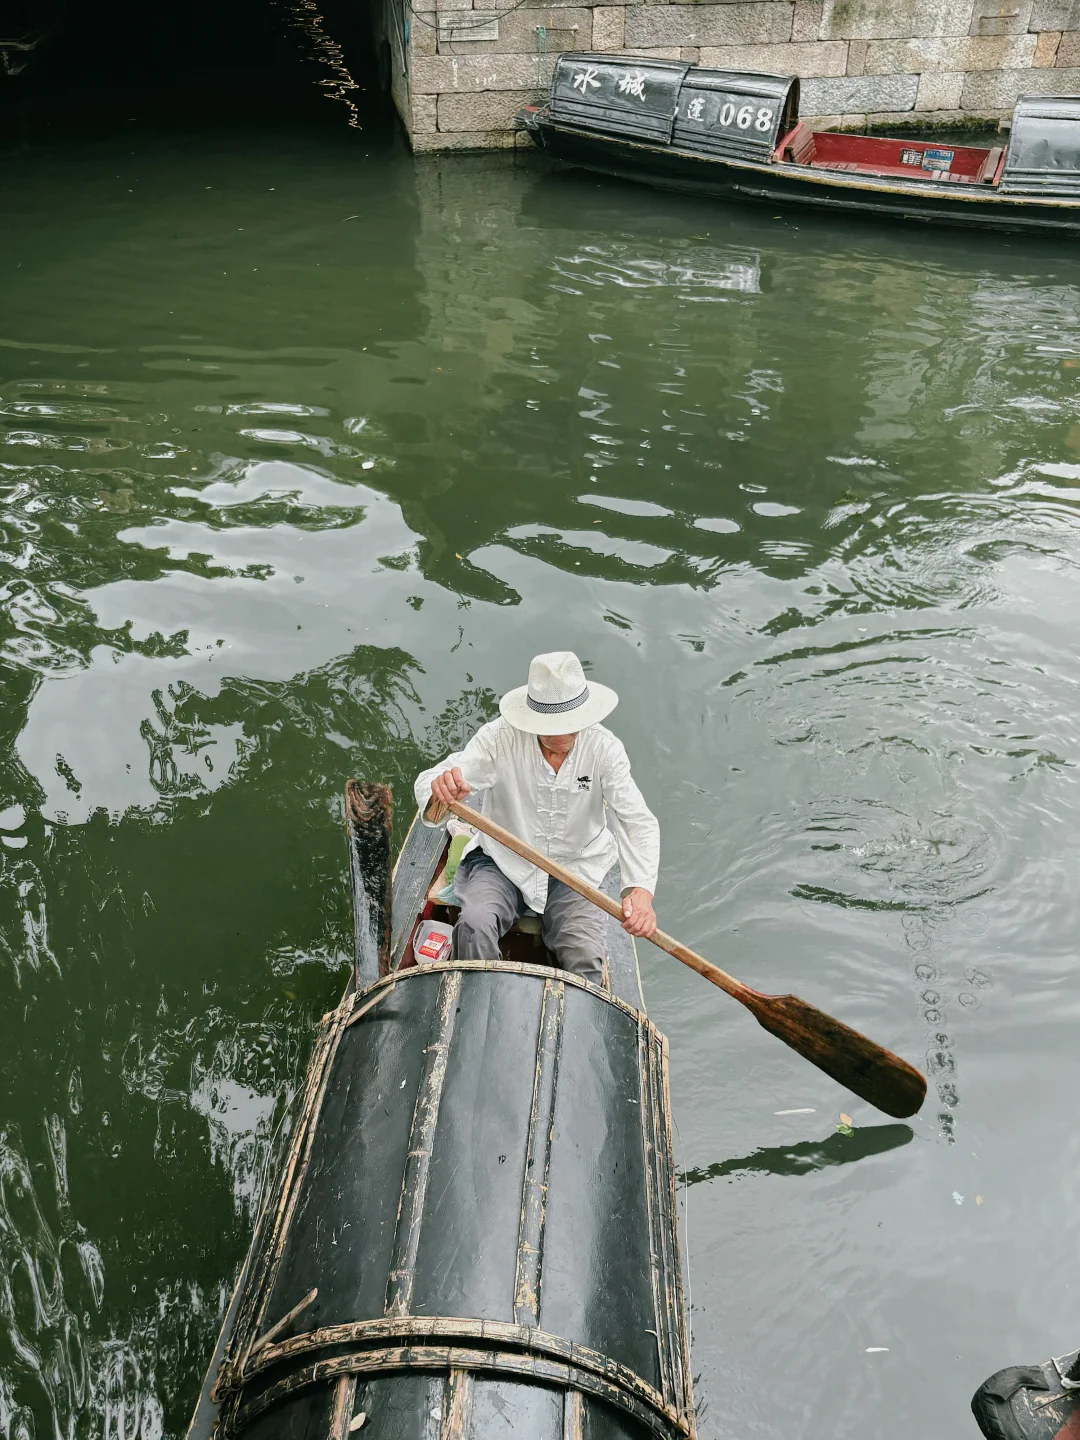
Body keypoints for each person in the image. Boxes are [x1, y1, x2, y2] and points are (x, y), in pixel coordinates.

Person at [414, 651, 659, 985]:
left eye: (574, 724)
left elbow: (636, 820)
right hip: (503, 862)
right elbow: (439, 778)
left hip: (578, 871)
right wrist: (440, 788)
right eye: (553, 728)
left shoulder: (605, 750)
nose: (565, 736)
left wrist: (640, 891)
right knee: (473, 925)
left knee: (584, 957)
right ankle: (477, 1003)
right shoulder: (499, 738)